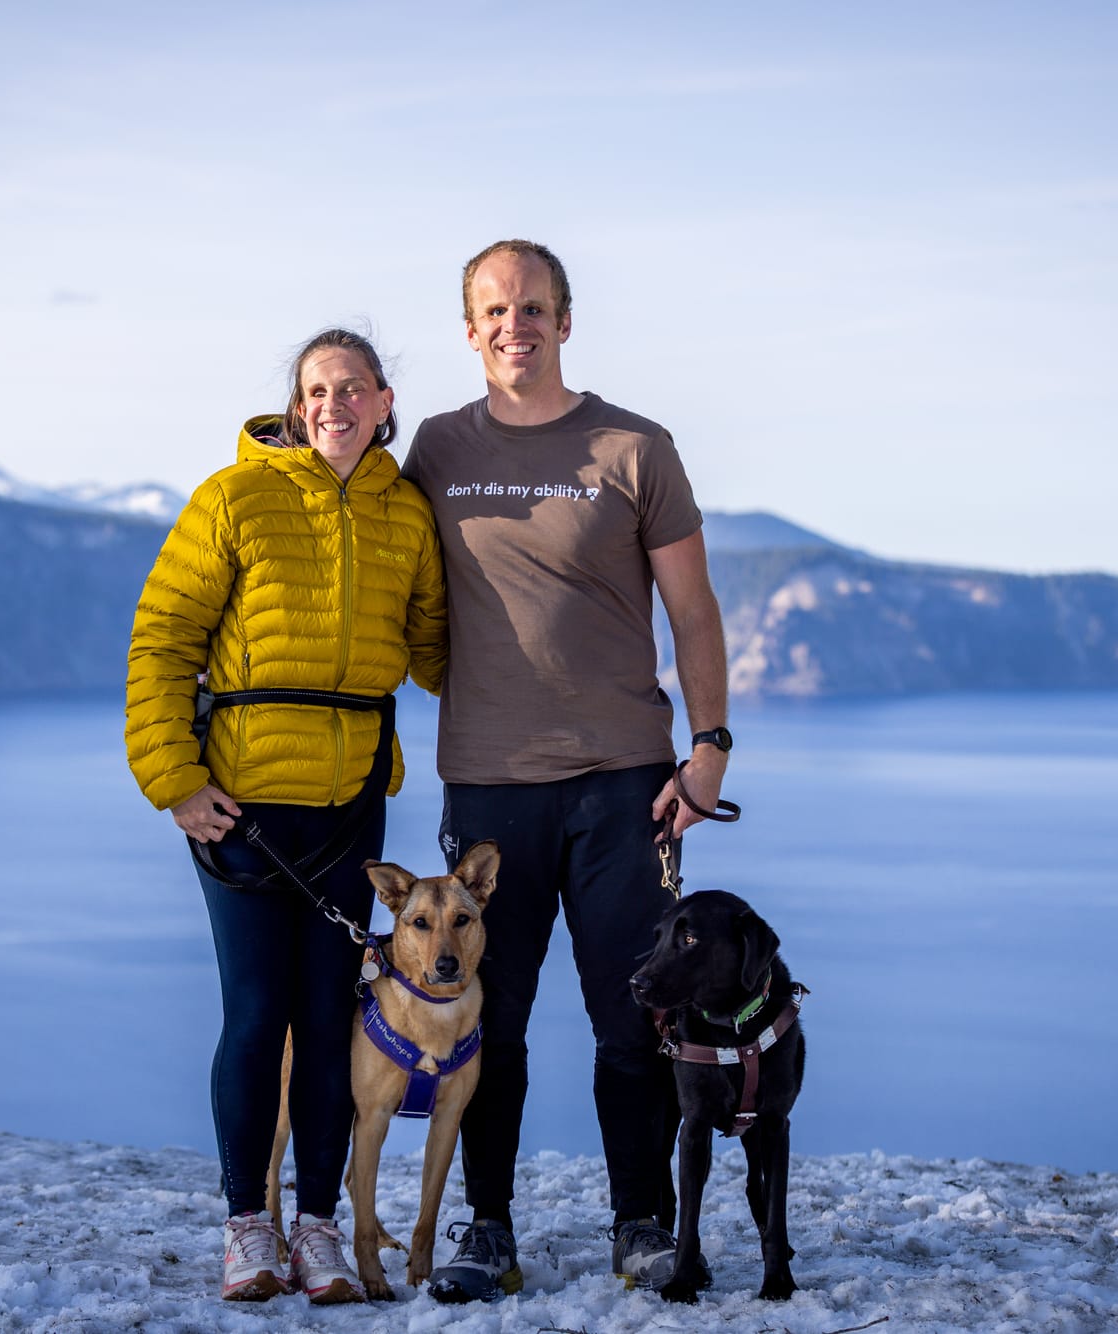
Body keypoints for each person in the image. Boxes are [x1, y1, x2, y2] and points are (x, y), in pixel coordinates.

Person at [399, 240, 733, 1301]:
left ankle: (640, 1221)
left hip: (621, 779)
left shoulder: (633, 446)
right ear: (468, 328)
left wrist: (709, 743)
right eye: (494, 310)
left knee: (629, 1009)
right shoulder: (438, 448)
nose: (515, 325)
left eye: (533, 306)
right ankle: (483, 1224)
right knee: (483, 1017)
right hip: (488, 782)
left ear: (565, 318)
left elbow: (692, 608)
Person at [125, 329, 445, 1304]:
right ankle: (245, 1227)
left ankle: (314, 1229)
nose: (332, 404)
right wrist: (173, 776)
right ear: (297, 403)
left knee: (327, 1014)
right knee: (257, 1012)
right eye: (316, 389)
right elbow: (162, 637)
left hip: (349, 810)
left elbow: (436, 649)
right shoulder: (233, 497)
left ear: (383, 401)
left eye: (351, 388)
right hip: (241, 809)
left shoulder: (408, 516)